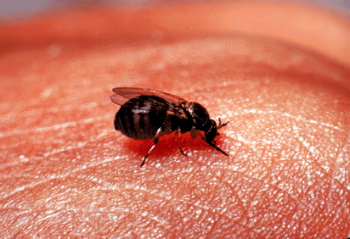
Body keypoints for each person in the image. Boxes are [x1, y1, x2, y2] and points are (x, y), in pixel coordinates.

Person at [0, 1, 349, 238]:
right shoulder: (185, 122)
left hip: (145, 110)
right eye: (207, 132)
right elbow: (163, 115)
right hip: (139, 115)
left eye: (207, 133)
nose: (207, 134)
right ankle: (151, 147)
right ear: (200, 126)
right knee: (158, 126)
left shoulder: (190, 117)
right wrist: (170, 145)